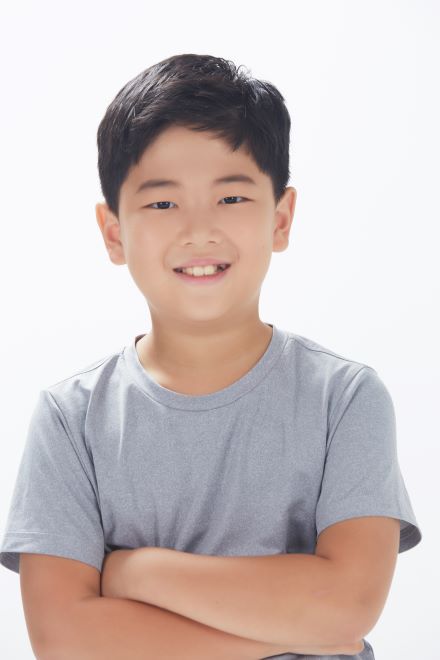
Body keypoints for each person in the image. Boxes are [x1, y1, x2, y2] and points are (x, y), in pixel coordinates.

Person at [0, 53, 422, 659]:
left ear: (281, 218)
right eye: (162, 204)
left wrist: (136, 571)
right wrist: (291, 627)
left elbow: (346, 607)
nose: (199, 230)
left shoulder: (344, 397)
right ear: (114, 233)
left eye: (231, 198)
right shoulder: (71, 418)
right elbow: (63, 640)